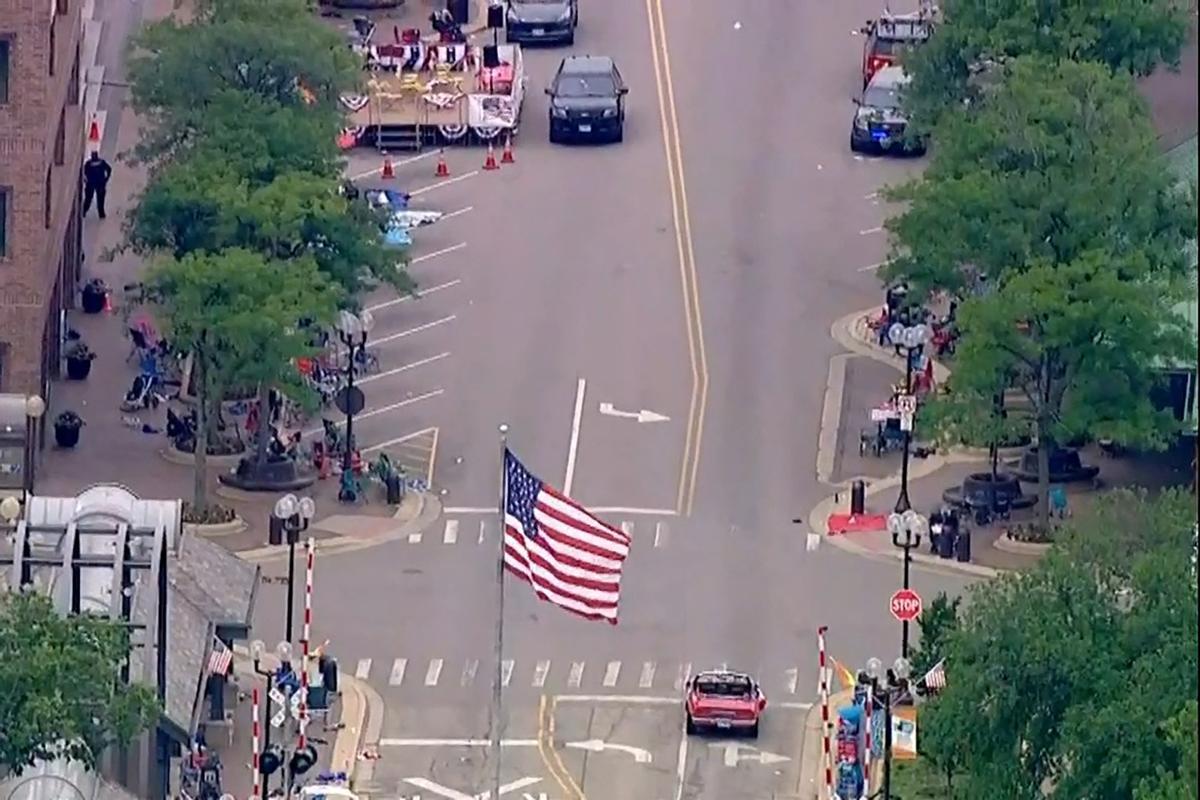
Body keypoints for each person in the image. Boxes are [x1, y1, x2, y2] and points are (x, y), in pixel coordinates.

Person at [82, 151, 112, 219]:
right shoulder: (101, 162)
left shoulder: (88, 164)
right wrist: (106, 179)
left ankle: (84, 212)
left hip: (91, 183)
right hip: (100, 183)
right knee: (100, 199)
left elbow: (84, 171)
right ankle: (101, 214)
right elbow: (109, 169)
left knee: (88, 199)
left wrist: (85, 179)